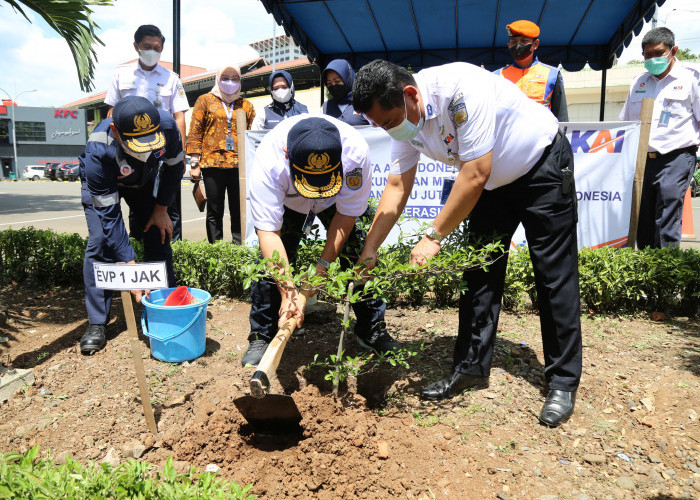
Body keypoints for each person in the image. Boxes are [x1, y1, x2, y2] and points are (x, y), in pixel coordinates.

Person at [352, 60, 582, 427]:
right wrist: (370, 249)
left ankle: (563, 381)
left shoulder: (460, 89)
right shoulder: (404, 123)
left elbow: (475, 173)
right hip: (491, 185)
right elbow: (396, 187)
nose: (390, 131)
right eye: (380, 126)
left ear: (410, 95)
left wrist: (433, 237)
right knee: (479, 274)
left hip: (542, 170)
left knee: (554, 278)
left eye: (391, 121)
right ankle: (471, 367)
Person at [241, 115, 400, 366]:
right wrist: (290, 292)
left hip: (334, 201)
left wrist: (322, 268)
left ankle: (371, 327)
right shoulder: (269, 161)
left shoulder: (355, 154)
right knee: (269, 264)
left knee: (357, 254)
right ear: (286, 154)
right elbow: (269, 233)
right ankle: (262, 333)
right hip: (289, 199)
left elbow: (347, 214)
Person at [79, 96, 184, 354]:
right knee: (101, 241)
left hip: (144, 182)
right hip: (105, 185)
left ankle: (161, 304)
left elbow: (174, 167)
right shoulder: (98, 149)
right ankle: (97, 322)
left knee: (158, 232)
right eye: (137, 143)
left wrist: (161, 209)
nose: (145, 149)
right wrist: (129, 266)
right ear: (115, 131)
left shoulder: (168, 127)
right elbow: (109, 214)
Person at [104, 24, 189, 241]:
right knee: (138, 204)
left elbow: (179, 116)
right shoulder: (121, 74)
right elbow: (111, 112)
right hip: (131, 150)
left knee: (168, 203)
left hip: (162, 148)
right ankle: (139, 245)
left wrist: (179, 153)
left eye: (157, 47)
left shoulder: (171, 78)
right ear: (136, 47)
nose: (153, 51)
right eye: (147, 46)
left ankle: (173, 249)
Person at [619, 27, 700, 249]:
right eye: (647, 55)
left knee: (666, 215)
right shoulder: (639, 82)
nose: (652, 59)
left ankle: (666, 273)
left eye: (658, 53)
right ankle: (647, 271)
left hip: (676, 157)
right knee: (642, 217)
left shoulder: (692, 78)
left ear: (673, 50)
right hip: (642, 160)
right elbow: (626, 123)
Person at [186, 65, 255, 244]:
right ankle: (215, 249)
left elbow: (252, 134)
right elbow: (195, 131)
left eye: (235, 78)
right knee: (214, 210)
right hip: (212, 163)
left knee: (238, 209)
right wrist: (194, 163)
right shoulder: (205, 100)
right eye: (226, 77)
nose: (230, 82)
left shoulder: (246, 105)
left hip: (239, 166)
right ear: (218, 78)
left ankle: (239, 247)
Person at [494, 20, 569, 122]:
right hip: (507, 136)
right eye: (514, 42)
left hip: (541, 136)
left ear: (535, 44)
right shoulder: (497, 76)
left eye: (524, 41)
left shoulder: (552, 75)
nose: (518, 46)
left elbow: (561, 117)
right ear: (509, 45)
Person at [322, 59, 369, 126]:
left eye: (337, 81)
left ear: (348, 79)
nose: (333, 85)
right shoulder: (325, 107)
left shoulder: (364, 102)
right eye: (329, 83)